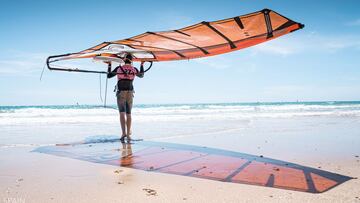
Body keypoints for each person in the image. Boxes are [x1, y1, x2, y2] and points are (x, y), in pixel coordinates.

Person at [107, 54, 144, 142]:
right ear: (131, 61)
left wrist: (109, 65)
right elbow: (141, 75)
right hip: (130, 92)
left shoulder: (119, 69)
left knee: (122, 113)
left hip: (121, 92)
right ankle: (128, 134)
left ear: (124, 60)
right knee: (129, 113)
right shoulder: (134, 69)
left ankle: (123, 133)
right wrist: (142, 65)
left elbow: (108, 76)